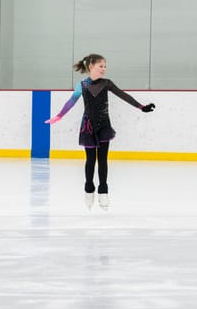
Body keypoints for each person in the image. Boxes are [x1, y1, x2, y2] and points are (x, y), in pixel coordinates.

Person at [45, 53, 155, 210]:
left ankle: (103, 191)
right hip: (88, 126)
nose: (104, 69)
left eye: (105, 66)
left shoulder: (107, 83)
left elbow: (123, 95)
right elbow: (71, 101)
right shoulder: (81, 85)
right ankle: (89, 189)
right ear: (91, 66)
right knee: (90, 160)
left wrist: (141, 107)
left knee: (103, 159)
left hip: (104, 125)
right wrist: (59, 116)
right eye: (100, 66)